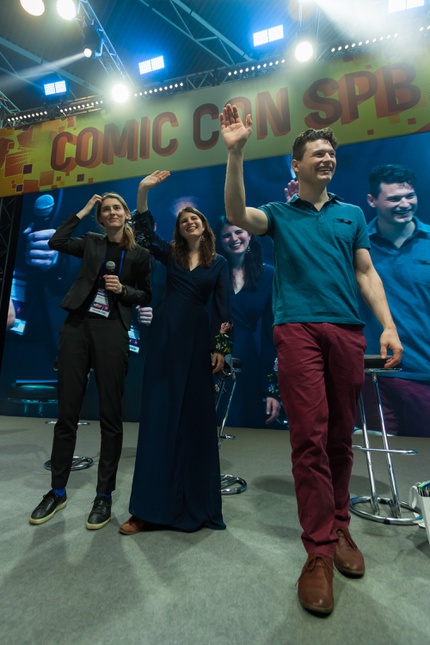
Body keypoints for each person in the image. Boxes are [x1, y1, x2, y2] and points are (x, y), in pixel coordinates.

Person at [219, 103, 403, 616]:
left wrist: (388, 325)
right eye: (316, 153)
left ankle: (340, 526)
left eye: (331, 153)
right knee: (309, 438)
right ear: (296, 165)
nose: (327, 158)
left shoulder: (352, 216)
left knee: (341, 437)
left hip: (346, 332)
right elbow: (237, 214)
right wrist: (235, 154)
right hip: (296, 330)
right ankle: (318, 549)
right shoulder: (278, 215)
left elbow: (366, 273)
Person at [29, 192, 152, 530]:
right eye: (105, 210)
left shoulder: (140, 254)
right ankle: (57, 491)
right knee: (67, 413)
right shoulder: (92, 242)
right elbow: (57, 241)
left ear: (126, 214)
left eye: (117, 208)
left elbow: (146, 293)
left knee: (110, 415)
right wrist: (83, 210)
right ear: (100, 218)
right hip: (76, 327)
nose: (111, 213)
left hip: (112, 329)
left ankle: (103, 495)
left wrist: (123, 290)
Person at [119, 171, 232, 535]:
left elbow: (223, 310)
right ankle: (145, 510)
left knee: (196, 424)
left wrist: (221, 349)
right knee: (159, 420)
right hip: (166, 340)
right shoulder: (169, 255)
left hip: (199, 344)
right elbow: (144, 234)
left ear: (204, 226)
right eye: (183, 221)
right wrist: (142, 191)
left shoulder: (219, 264)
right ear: (179, 230)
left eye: (194, 218)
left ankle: (197, 505)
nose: (189, 222)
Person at [358, 164, 430, 437]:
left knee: (424, 456)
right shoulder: (356, 245)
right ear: (372, 200)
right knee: (379, 456)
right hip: (373, 373)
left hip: (423, 372)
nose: (405, 204)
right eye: (395, 198)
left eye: (410, 196)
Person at [215, 216, 281, 427]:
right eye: (226, 235)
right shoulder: (212, 271)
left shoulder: (268, 275)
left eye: (238, 232)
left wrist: (271, 390)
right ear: (220, 241)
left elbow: (271, 337)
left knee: (243, 427)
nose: (234, 238)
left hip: (248, 362)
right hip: (212, 356)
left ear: (250, 235)